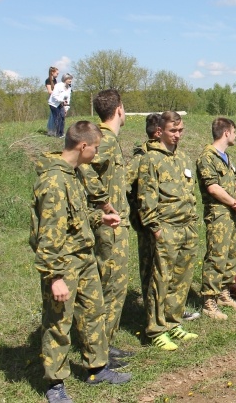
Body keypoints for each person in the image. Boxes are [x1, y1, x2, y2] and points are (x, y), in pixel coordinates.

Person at [30, 121, 131, 403]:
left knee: (92, 313)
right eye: (96, 148)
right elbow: (48, 234)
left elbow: (76, 216)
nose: (97, 153)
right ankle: (55, 384)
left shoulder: (72, 174)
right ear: (83, 146)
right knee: (58, 323)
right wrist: (55, 277)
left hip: (84, 256)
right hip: (64, 263)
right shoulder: (53, 180)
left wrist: (101, 217)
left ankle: (96, 368)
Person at [79, 90, 134, 366]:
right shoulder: (106, 140)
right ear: (120, 110)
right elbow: (83, 168)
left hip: (111, 223)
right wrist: (103, 202)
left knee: (109, 284)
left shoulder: (104, 138)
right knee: (112, 285)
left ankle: (104, 344)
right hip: (110, 226)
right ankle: (100, 348)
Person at [137, 111, 199, 351]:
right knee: (160, 281)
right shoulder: (150, 159)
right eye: (173, 131)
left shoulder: (183, 157)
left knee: (180, 281)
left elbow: (189, 192)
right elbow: (146, 197)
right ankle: (156, 329)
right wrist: (155, 229)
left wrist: (192, 222)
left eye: (180, 130)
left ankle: (174, 322)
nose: (178, 135)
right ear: (161, 131)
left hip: (187, 228)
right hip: (166, 229)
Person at [196, 118, 236, 320]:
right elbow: (212, 187)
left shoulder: (226, 157)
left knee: (232, 253)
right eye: (234, 131)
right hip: (218, 213)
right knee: (217, 254)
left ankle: (223, 294)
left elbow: (234, 184)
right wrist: (234, 203)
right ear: (226, 132)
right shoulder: (206, 157)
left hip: (231, 213)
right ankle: (209, 300)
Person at [127, 113, 162, 314]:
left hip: (167, 221)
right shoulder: (142, 157)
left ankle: (166, 308)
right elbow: (124, 185)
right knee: (150, 267)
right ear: (158, 131)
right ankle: (151, 311)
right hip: (148, 222)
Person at [48, 73, 73, 138]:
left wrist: (66, 108)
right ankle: (58, 134)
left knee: (62, 117)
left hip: (61, 104)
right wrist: (62, 101)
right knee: (58, 118)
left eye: (71, 79)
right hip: (54, 104)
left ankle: (61, 133)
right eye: (69, 79)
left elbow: (68, 98)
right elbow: (54, 95)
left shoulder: (69, 88)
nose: (70, 80)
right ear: (65, 79)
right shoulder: (58, 85)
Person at [44, 66, 59, 136]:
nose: (57, 75)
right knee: (53, 115)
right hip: (52, 100)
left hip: (56, 100)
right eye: (57, 73)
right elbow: (50, 91)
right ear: (52, 73)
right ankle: (51, 130)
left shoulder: (55, 81)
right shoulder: (48, 80)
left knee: (54, 115)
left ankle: (54, 130)